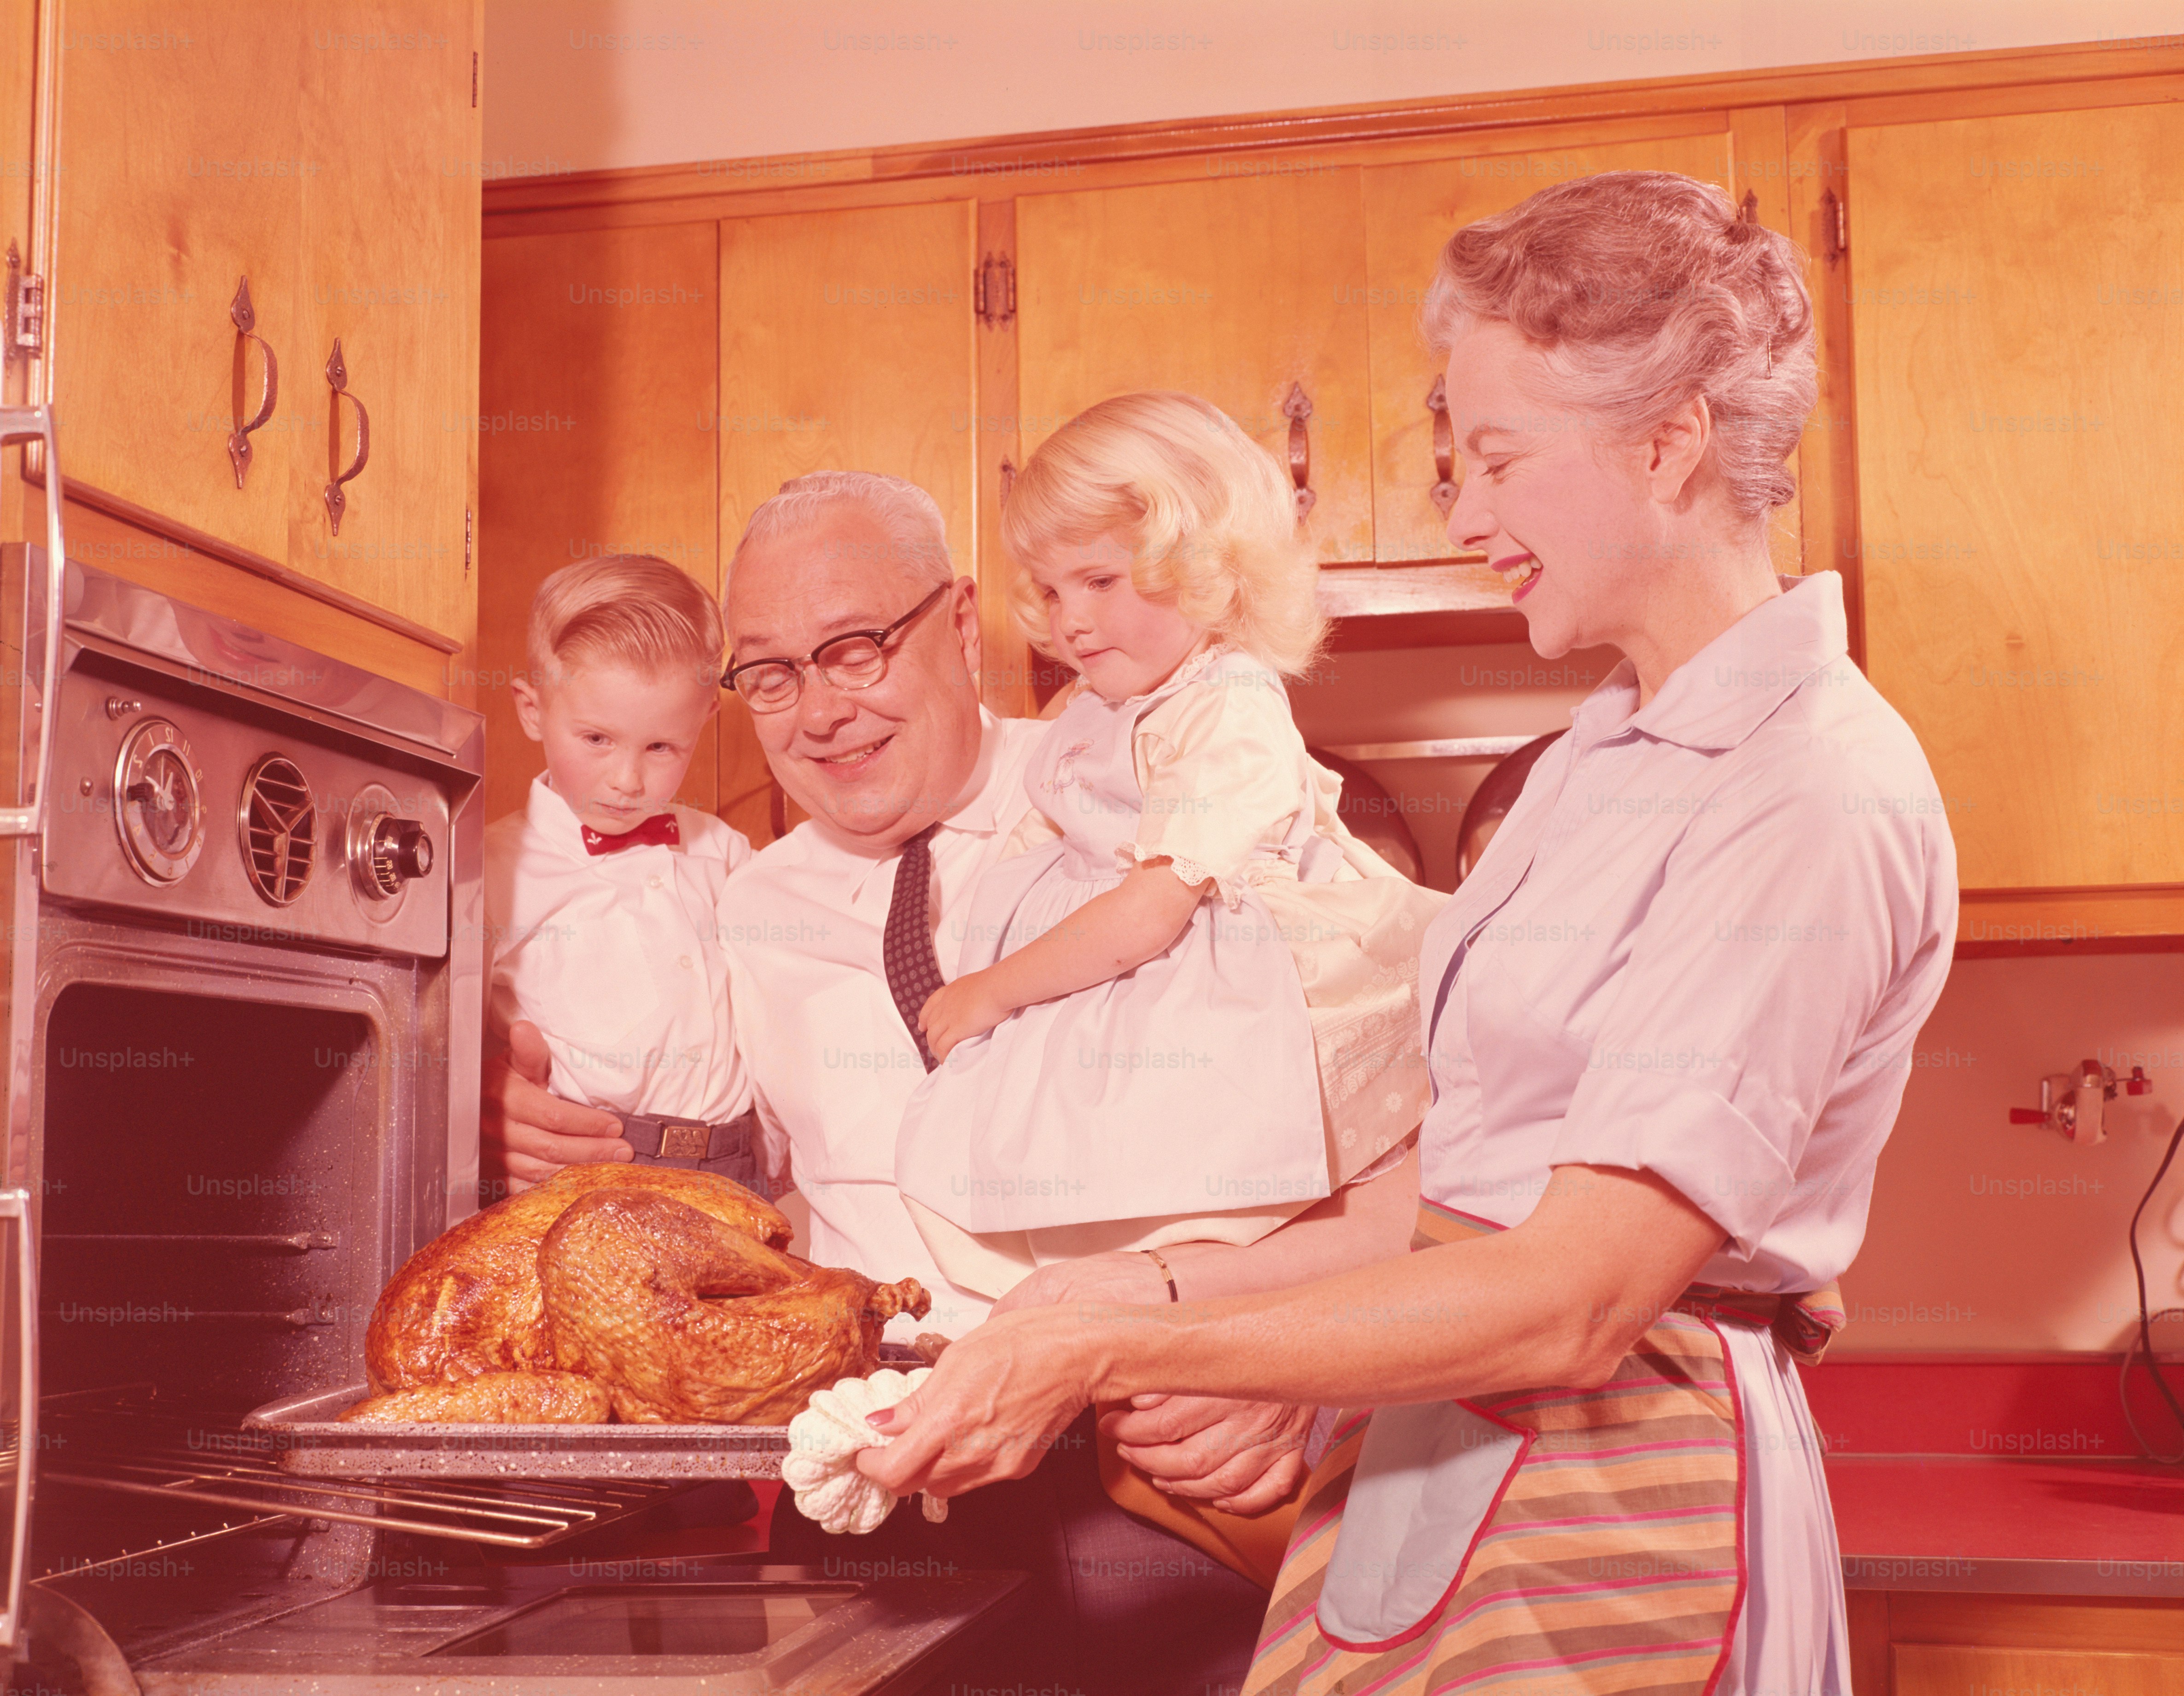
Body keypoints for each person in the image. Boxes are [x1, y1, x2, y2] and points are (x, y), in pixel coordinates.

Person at [860, 171, 1960, 1696]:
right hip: (1450, 1464)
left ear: (1669, 441)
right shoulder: (1599, 762)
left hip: (1622, 1501)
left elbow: (1575, 1292)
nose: (1463, 513)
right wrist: (1148, 1290)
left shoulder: (1806, 789)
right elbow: (1459, 1202)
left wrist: (1113, 1353)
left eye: (1498, 458)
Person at [481, 472, 1420, 1696]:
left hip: (1174, 1481)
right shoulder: (735, 903)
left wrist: (1301, 1367)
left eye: (857, 648)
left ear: (964, 623)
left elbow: (1441, 1159)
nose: (820, 711)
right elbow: (713, 1195)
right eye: (770, 674)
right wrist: (504, 1121)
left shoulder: (1154, 792)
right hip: (875, 1511)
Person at [896, 392, 1443, 1300]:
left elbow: (1150, 912)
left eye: (1100, 582)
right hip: (1114, 999)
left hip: (1214, 987)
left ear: (1202, 564)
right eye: (1051, 590)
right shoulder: (1087, 713)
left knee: (1224, 1206)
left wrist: (993, 989)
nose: (1070, 620)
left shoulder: (1228, 707)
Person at [484, 554, 759, 1187]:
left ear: (704, 723)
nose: (628, 780)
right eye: (597, 740)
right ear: (532, 711)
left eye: (662, 747)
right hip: (582, 1166)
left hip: (732, 1166)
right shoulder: (490, 871)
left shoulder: (723, 852)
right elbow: (442, 1043)